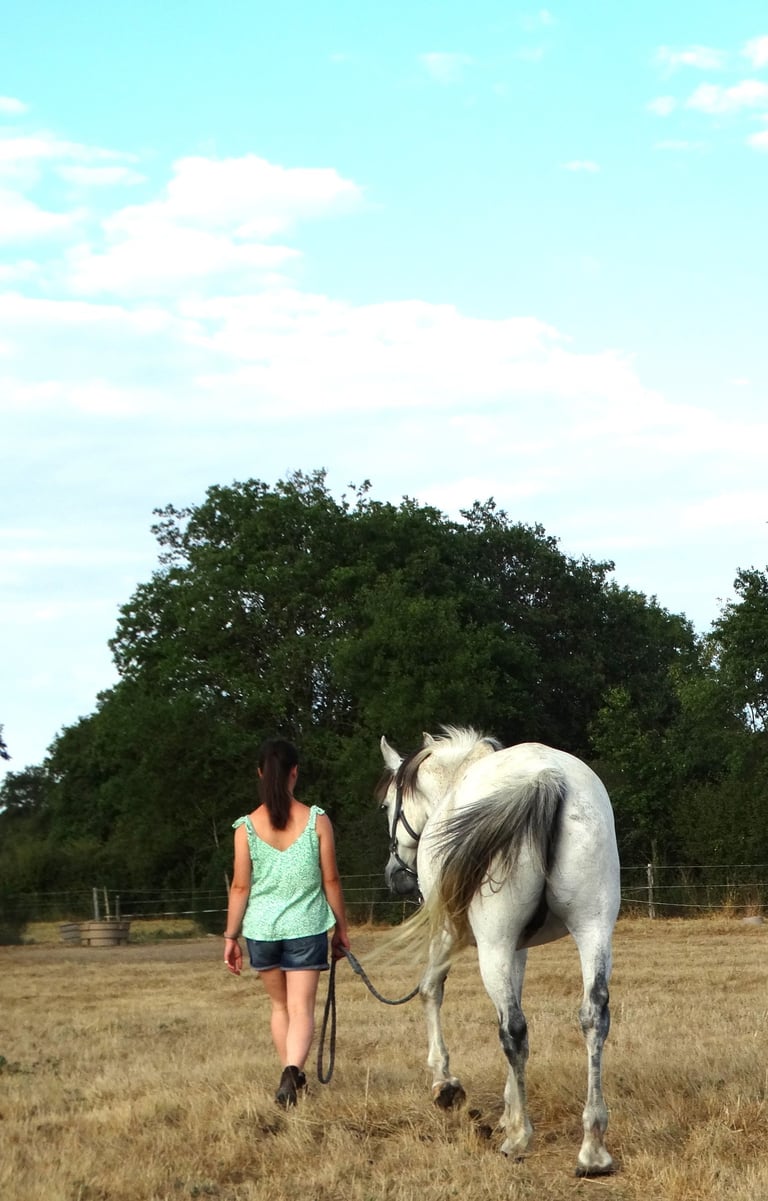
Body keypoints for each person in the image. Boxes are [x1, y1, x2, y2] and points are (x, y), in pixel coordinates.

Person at [223, 737, 351, 1108]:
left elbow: (239, 885)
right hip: (307, 928)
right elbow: (331, 880)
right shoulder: (316, 820)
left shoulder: (245, 827)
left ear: (260, 773)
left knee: (280, 1008)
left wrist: (231, 936)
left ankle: (289, 1076)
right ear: (295, 773)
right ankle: (291, 1072)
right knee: (301, 1010)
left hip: (262, 931)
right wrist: (341, 927)